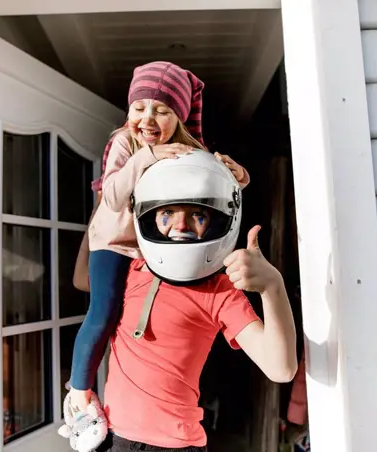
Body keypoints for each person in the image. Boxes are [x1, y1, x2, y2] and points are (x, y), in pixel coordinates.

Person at [73, 151, 298, 451]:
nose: (180, 225)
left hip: (175, 446)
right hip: (113, 438)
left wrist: (273, 286)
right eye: (167, 214)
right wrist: (101, 212)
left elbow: (280, 368)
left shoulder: (219, 290)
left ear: (216, 221)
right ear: (149, 216)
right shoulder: (131, 269)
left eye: (198, 214)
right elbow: (80, 279)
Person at [68, 61, 250, 411]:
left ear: (179, 117)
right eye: (139, 108)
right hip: (114, 243)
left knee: (143, 320)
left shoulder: (189, 148)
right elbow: (113, 197)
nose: (147, 119)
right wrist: (145, 158)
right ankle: (78, 394)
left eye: (162, 110)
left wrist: (239, 177)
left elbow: (210, 184)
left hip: (151, 247)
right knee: (103, 313)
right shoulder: (125, 142)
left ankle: (136, 395)